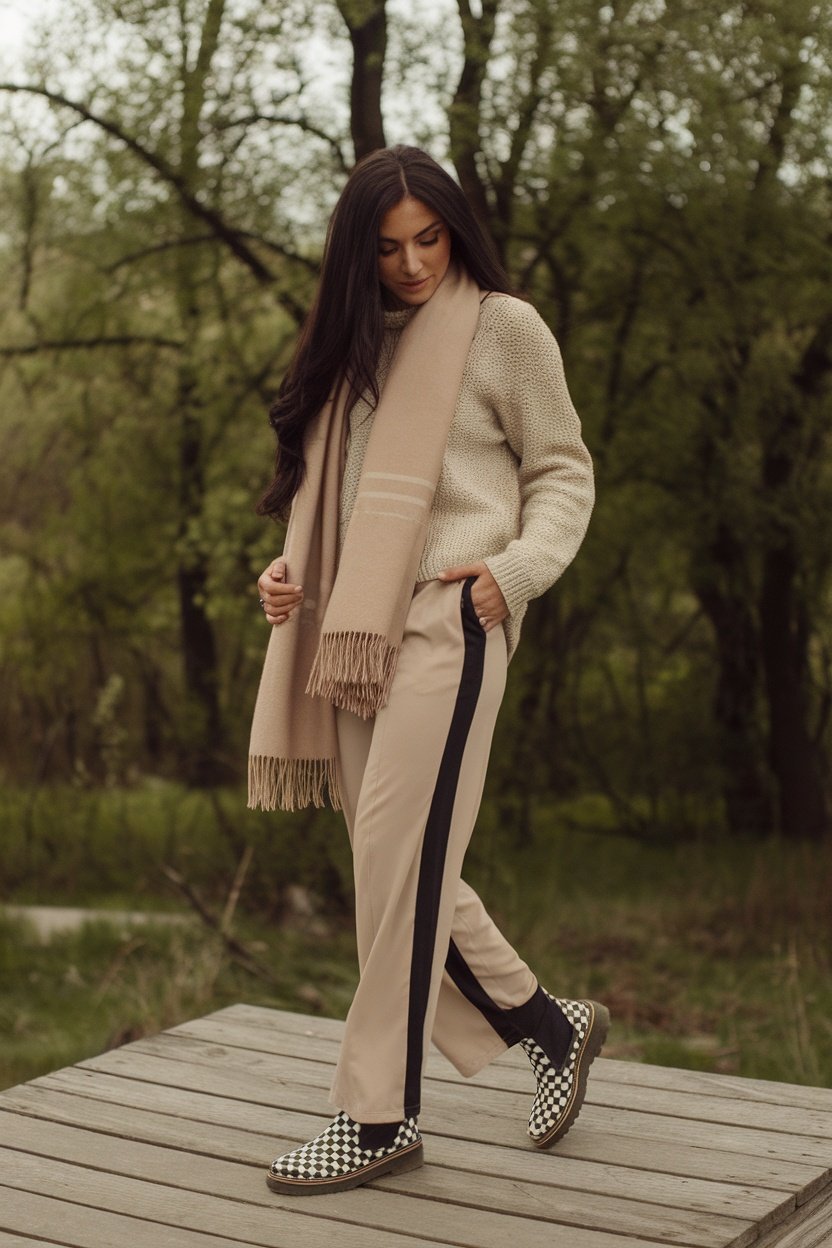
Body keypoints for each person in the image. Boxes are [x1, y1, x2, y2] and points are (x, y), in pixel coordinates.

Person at [248, 144, 609, 1196]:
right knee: (394, 869)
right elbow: (337, 504)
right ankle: (547, 1025)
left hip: (452, 626)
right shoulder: (353, 343)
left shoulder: (503, 329)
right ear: (355, 253)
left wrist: (513, 573)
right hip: (348, 638)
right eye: (388, 246)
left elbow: (562, 473)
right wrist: (288, 574)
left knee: (398, 869)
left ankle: (375, 1119)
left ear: (455, 230)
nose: (411, 264)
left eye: (429, 238)